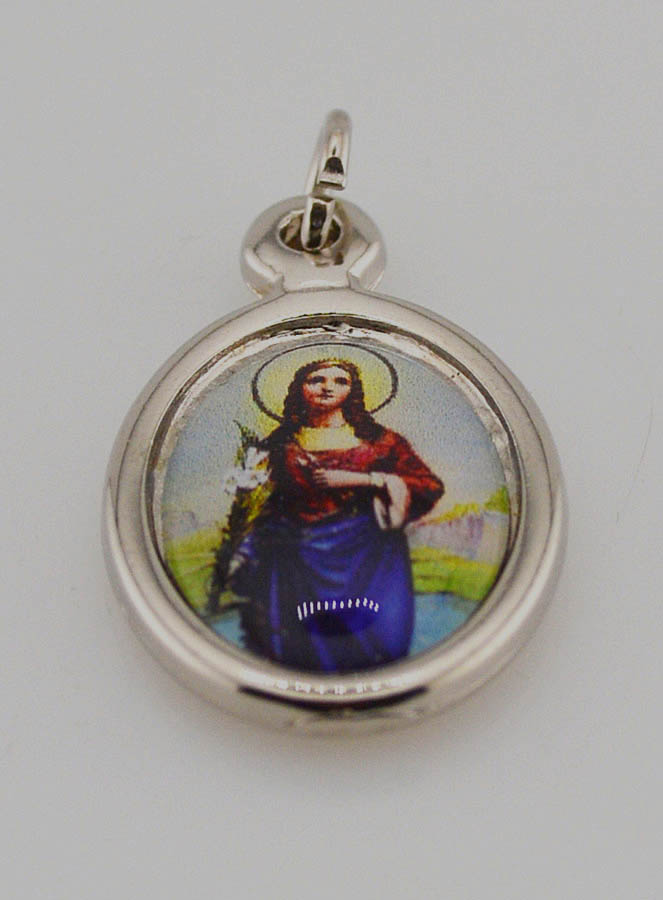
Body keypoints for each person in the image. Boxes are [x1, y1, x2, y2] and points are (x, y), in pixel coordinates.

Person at [225, 358, 444, 673]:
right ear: (299, 388)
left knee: (372, 638)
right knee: (299, 640)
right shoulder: (280, 444)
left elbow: (427, 485)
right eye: (316, 379)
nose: (328, 387)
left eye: (340, 381)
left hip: (367, 554)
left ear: (353, 391)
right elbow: (267, 498)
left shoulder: (381, 441)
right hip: (297, 555)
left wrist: (364, 479)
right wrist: (246, 545)